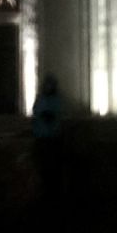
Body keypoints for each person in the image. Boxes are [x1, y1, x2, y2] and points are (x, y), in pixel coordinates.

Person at [32, 71, 65, 199]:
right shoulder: (41, 98)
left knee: (52, 167)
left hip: (52, 137)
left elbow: (56, 114)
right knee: (44, 167)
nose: (48, 87)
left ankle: (52, 192)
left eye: (50, 85)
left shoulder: (56, 99)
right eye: (47, 84)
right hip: (42, 136)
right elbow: (36, 112)